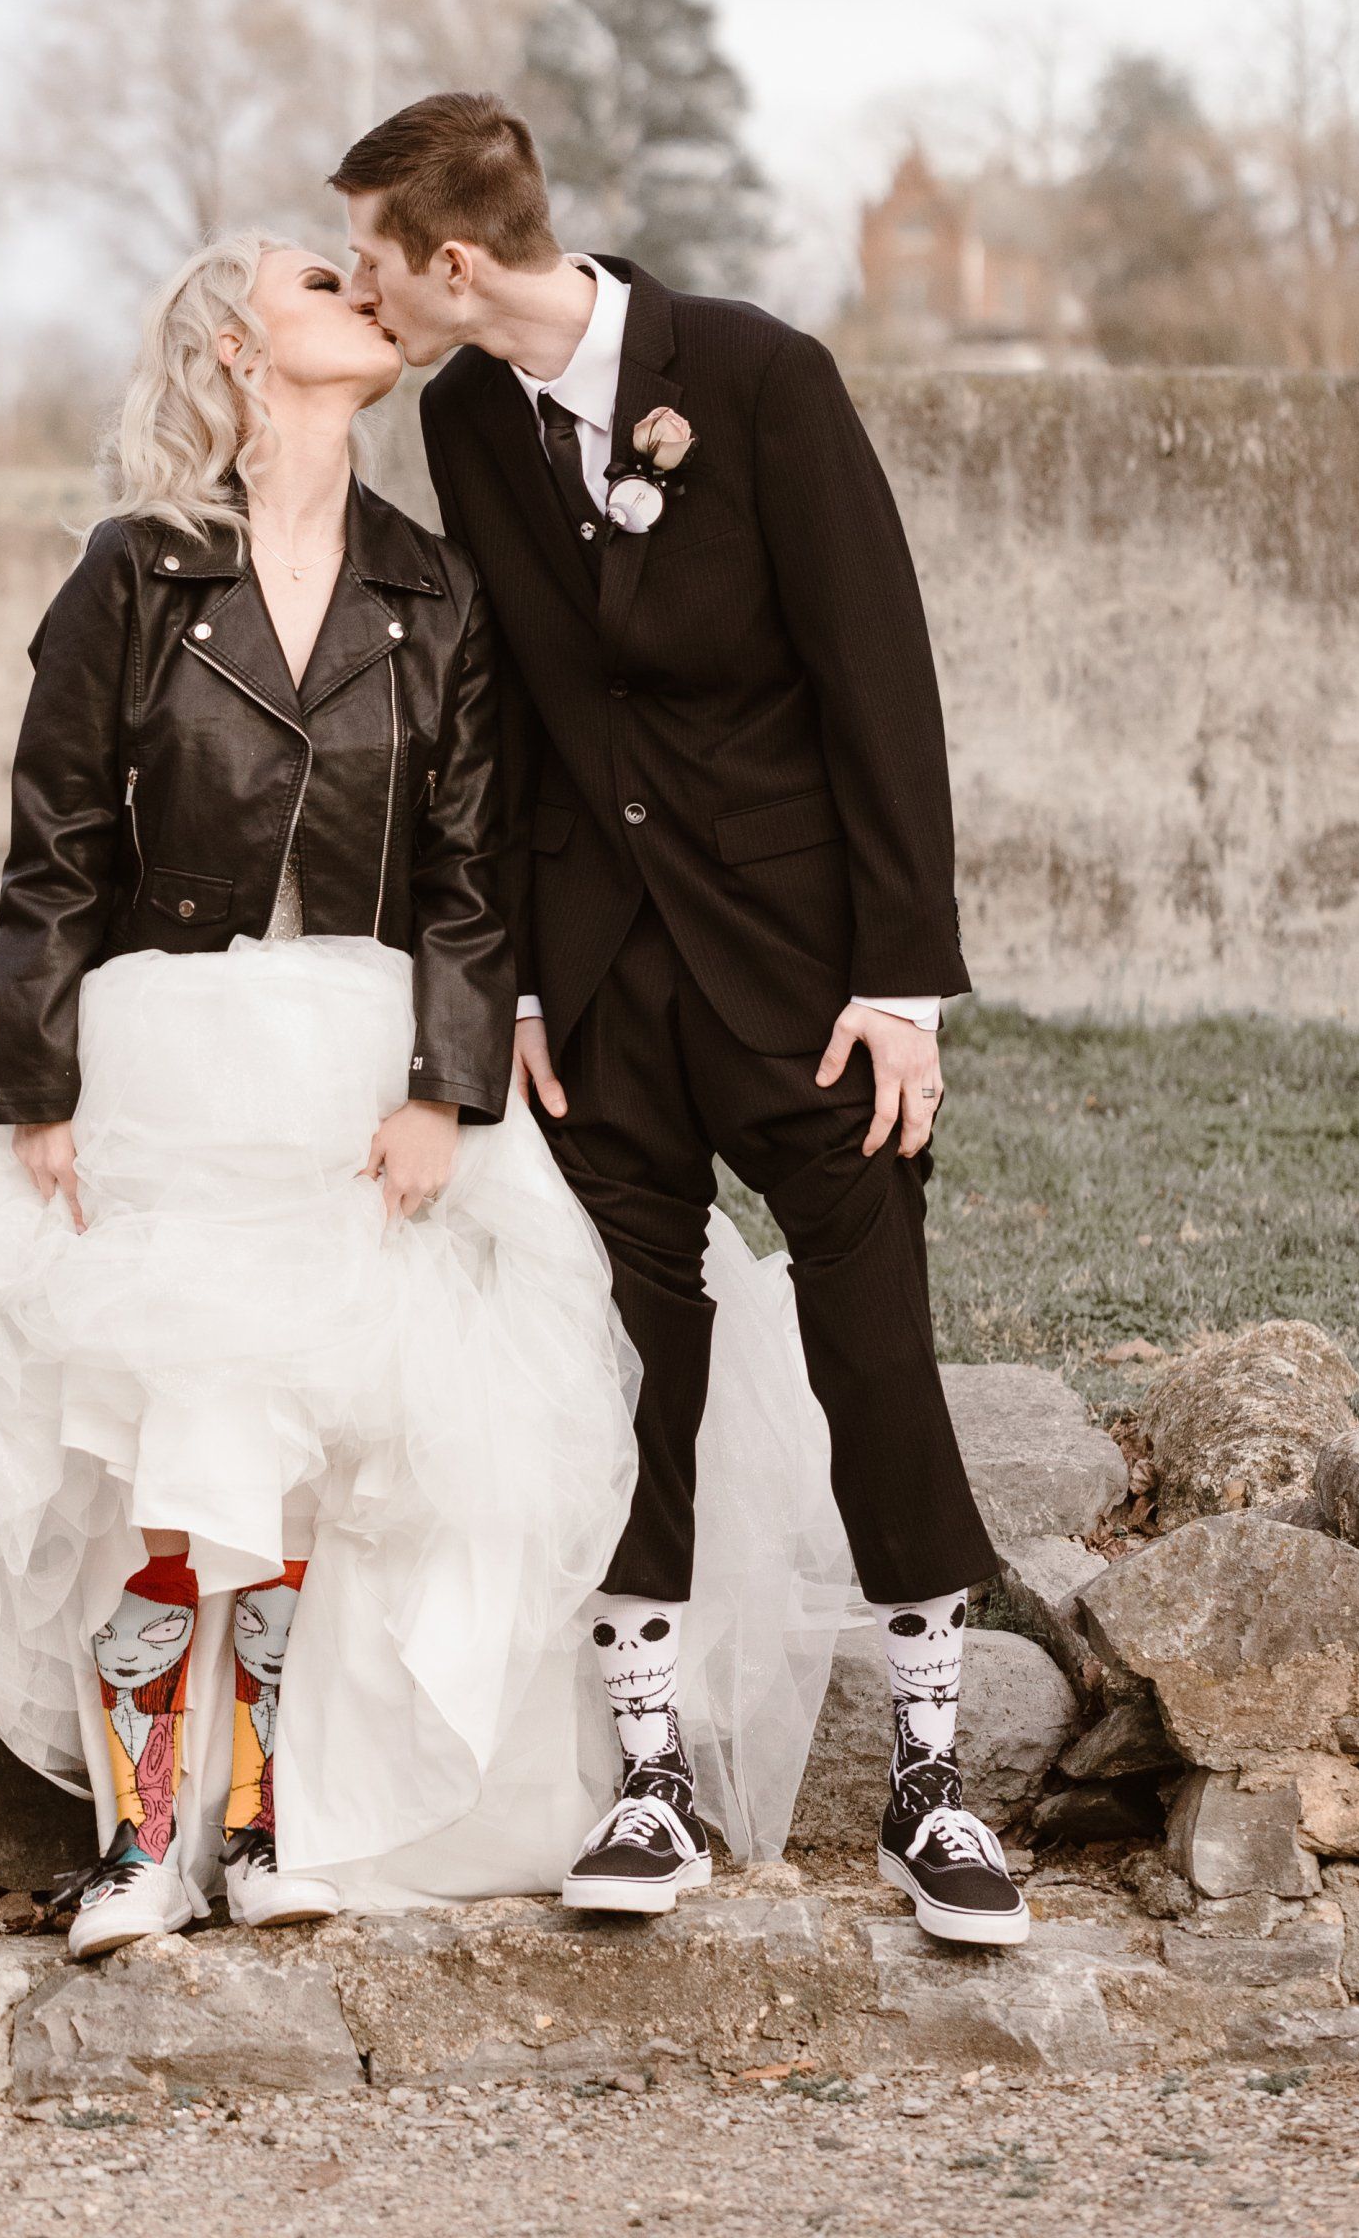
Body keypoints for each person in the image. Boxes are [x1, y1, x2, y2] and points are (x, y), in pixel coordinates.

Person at [0, 232, 845, 1957]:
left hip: (367, 1051)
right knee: (169, 1416)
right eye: (319, 282)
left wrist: (450, 1085)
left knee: (325, 1437)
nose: (368, 298)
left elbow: (470, 869)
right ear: (236, 343)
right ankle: (148, 1844)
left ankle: (272, 1822)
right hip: (159, 1040)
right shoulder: (132, 575)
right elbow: (54, 846)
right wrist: (43, 1081)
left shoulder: (431, 588)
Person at [335, 95, 1027, 1949]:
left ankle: (933, 1787)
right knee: (624, 1360)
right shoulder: (464, 416)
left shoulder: (760, 375)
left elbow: (879, 672)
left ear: (454, 263)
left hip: (810, 978)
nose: (361, 292)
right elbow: (518, 708)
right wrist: (533, 981)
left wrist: (901, 983)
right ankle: (647, 1783)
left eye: (374, 263)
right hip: (608, 985)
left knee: (873, 1340)